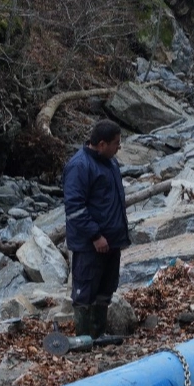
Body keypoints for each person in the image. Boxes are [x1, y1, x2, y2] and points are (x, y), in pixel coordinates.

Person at [63, 119, 131, 339]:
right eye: (116, 143)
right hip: (90, 244)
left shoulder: (110, 162)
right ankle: (83, 338)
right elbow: (74, 208)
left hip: (112, 241)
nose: (119, 147)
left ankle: (98, 334)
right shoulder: (79, 166)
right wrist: (95, 235)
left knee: (105, 289)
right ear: (102, 144)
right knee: (85, 291)